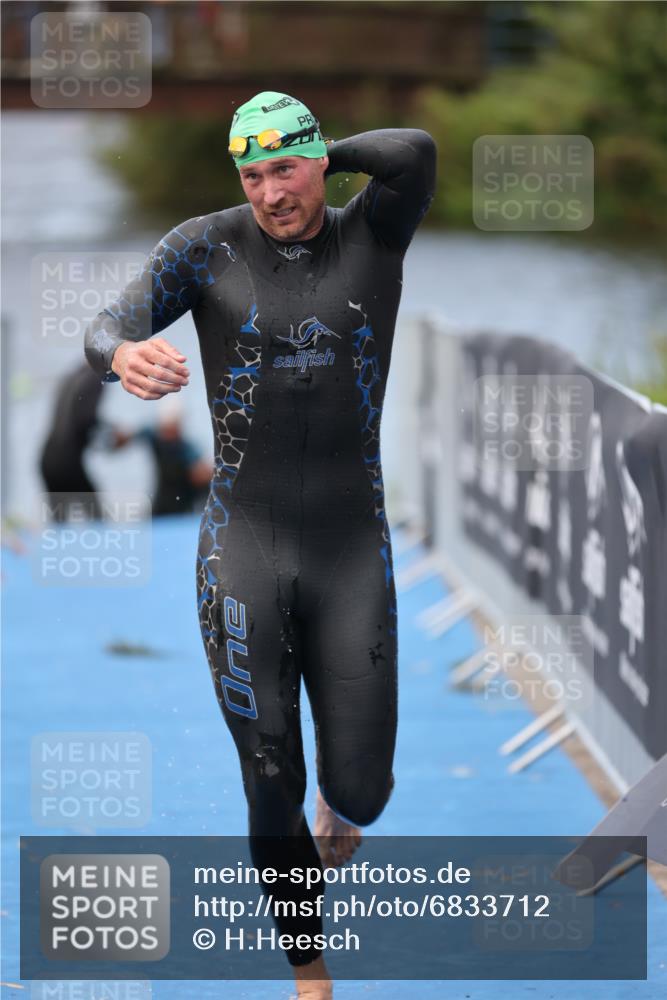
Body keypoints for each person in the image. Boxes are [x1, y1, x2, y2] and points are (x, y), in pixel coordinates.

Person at [85, 91, 436, 998]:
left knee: (362, 789)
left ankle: (341, 810)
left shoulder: (375, 234)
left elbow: (413, 149)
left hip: (351, 552)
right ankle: (307, 969)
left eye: (286, 167)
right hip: (242, 550)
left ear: (321, 160)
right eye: (252, 174)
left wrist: (322, 148)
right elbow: (105, 327)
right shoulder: (202, 247)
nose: (271, 192)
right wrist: (122, 357)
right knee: (267, 773)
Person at [114, 399, 212, 516]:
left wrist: (207, 473)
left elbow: (201, 474)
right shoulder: (153, 435)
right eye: (166, 428)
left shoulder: (187, 448)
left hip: (184, 505)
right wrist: (118, 436)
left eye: (173, 428)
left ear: (179, 426)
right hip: (162, 501)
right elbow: (124, 440)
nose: (168, 433)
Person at [39, 361, 106, 521]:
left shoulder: (72, 375)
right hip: (67, 462)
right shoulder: (96, 378)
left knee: (59, 523)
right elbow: (85, 420)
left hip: (47, 458)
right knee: (97, 518)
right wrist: (110, 434)